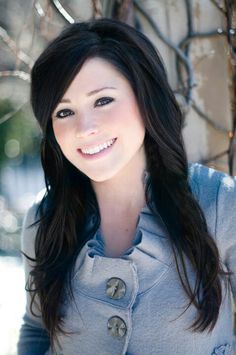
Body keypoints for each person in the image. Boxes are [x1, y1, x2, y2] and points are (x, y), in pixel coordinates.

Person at [17, 18, 235, 355]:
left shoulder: (220, 205)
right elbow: (36, 331)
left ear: (145, 96)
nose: (85, 128)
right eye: (64, 112)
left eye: (103, 100)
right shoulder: (43, 221)